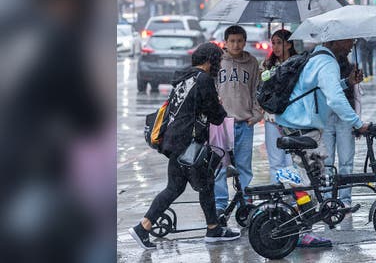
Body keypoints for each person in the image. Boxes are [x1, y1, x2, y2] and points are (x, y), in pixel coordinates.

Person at [128, 43, 239, 249]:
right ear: (209, 61)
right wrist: (221, 108)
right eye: (217, 61)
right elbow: (215, 116)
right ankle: (213, 229)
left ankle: (143, 228)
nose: (218, 65)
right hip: (189, 143)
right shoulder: (204, 79)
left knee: (175, 187)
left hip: (174, 141)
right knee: (205, 184)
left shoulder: (185, 78)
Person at [275, 38, 369, 248]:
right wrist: (358, 123)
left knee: (309, 178)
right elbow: (335, 99)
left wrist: (348, 83)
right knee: (311, 180)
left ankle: (298, 217)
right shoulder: (327, 62)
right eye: (348, 41)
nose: (350, 45)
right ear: (334, 41)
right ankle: (302, 231)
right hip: (303, 127)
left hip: (296, 123)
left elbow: (321, 91)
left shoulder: (317, 57)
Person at [213, 25, 264, 223]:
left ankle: (245, 203)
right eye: (232, 41)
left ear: (245, 41)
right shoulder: (218, 61)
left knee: (244, 166)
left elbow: (256, 90)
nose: (236, 44)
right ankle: (220, 205)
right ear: (225, 42)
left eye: (239, 41)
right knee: (219, 166)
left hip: (244, 122)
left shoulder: (251, 62)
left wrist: (257, 114)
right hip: (220, 123)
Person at [321, 53, 364, 208]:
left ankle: (345, 199)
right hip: (325, 117)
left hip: (345, 118)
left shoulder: (352, 68)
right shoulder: (322, 68)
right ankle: (327, 200)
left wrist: (357, 121)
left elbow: (357, 96)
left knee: (346, 161)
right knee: (326, 162)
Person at [261, 29, 299, 183]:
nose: (275, 47)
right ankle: (278, 197)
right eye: (273, 43)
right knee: (276, 161)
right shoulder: (268, 65)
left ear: (289, 44)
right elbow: (263, 90)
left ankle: (297, 198)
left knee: (292, 160)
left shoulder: (297, 64)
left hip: (293, 118)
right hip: (272, 118)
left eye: (279, 43)